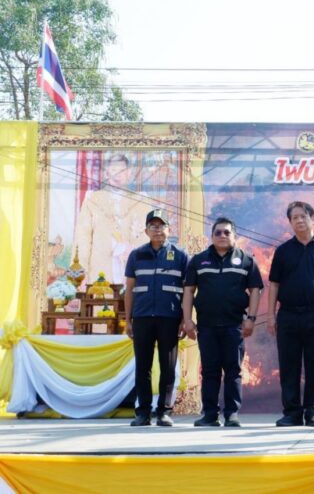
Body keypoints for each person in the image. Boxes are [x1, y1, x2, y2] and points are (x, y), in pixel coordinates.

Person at [183, 217, 263, 428]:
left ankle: (231, 414)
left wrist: (251, 319)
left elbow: (255, 290)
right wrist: (187, 320)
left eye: (227, 232)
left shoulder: (247, 260)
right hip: (206, 326)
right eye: (218, 232)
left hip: (234, 326)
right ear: (212, 236)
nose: (222, 236)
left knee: (233, 371)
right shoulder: (198, 260)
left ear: (234, 236)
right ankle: (210, 415)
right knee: (209, 371)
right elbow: (188, 291)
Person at [266, 202, 314, 427]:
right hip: (287, 315)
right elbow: (274, 285)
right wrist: (270, 315)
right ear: (290, 222)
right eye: (294, 217)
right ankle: (292, 413)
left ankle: (313, 411)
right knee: (289, 365)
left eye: (303, 216)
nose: (299, 220)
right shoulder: (283, 251)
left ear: (312, 218)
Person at [123, 209, 188, 427]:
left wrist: (184, 319)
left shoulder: (180, 256)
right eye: (153, 226)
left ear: (169, 229)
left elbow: (188, 290)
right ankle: (143, 413)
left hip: (169, 317)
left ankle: (164, 412)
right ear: (146, 230)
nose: (157, 229)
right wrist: (128, 320)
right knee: (143, 366)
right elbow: (129, 289)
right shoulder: (136, 255)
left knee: (167, 367)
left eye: (161, 225)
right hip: (142, 317)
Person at [76, 153, 153, 284]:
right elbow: (83, 238)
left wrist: (133, 250)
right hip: (100, 269)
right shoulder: (92, 199)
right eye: (113, 170)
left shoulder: (141, 200)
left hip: (131, 267)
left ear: (129, 173)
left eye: (122, 171)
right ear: (106, 173)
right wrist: (80, 275)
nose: (117, 175)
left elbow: (148, 235)